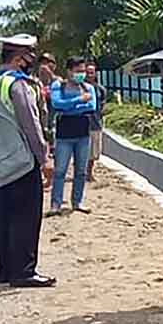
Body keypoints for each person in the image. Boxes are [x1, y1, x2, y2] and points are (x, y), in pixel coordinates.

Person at [0, 34, 56, 288]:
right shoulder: (17, 84)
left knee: (3, 215)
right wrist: (44, 157)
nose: (32, 60)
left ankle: (6, 270)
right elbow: (31, 124)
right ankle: (24, 271)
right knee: (26, 217)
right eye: (30, 55)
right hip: (22, 160)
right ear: (20, 57)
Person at [49, 56, 96, 214]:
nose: (81, 74)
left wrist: (69, 106)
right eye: (78, 71)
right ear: (69, 71)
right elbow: (56, 103)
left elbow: (91, 106)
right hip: (64, 135)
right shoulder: (58, 86)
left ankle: (78, 202)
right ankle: (56, 204)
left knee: (81, 171)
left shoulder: (89, 88)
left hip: (83, 133)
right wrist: (79, 100)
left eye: (83, 71)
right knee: (60, 170)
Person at [85, 62, 108, 181]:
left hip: (95, 123)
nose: (89, 75)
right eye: (87, 72)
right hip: (81, 123)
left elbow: (104, 105)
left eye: (91, 73)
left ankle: (89, 172)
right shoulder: (79, 88)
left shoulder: (100, 90)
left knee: (94, 151)